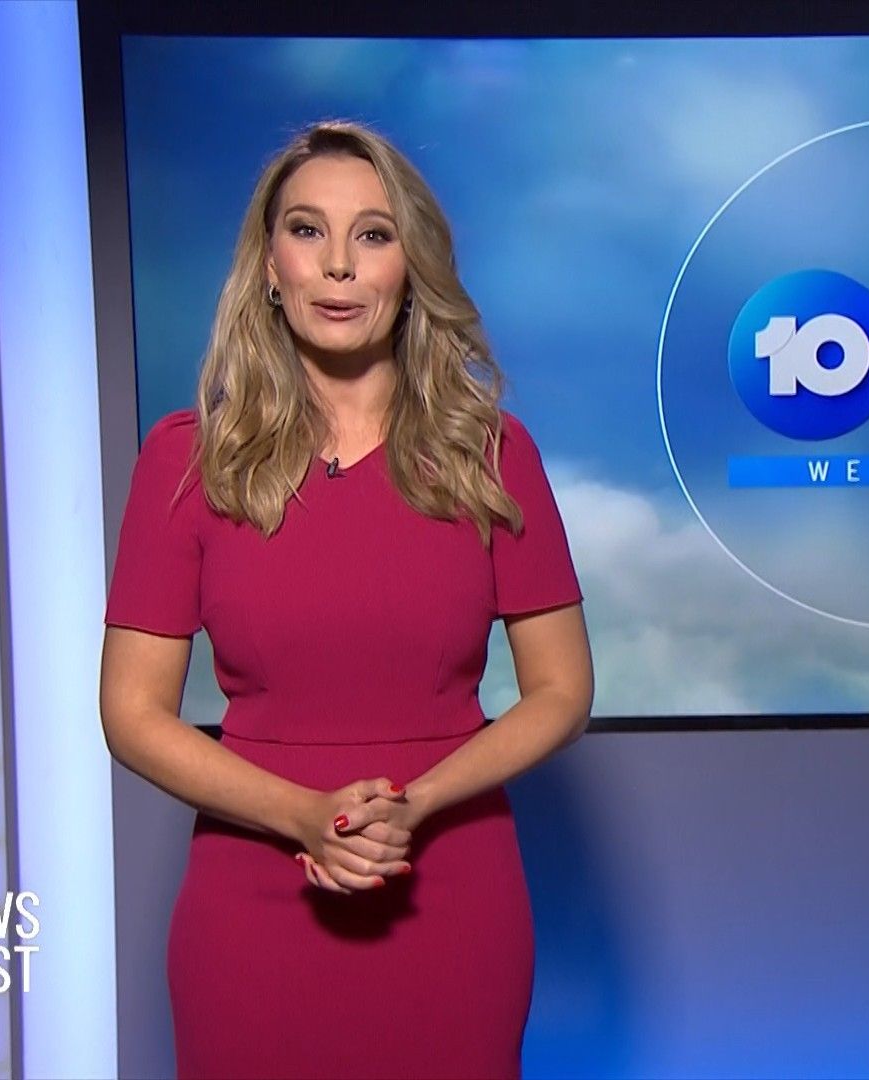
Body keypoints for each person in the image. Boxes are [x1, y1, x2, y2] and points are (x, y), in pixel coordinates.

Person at [98, 119, 594, 1079]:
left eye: (372, 234)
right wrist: (302, 818)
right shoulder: (186, 461)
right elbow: (130, 712)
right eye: (306, 230)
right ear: (269, 266)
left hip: (451, 891)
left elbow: (562, 691)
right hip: (253, 900)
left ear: (411, 269)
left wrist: (417, 803)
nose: (337, 264)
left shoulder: (493, 455)